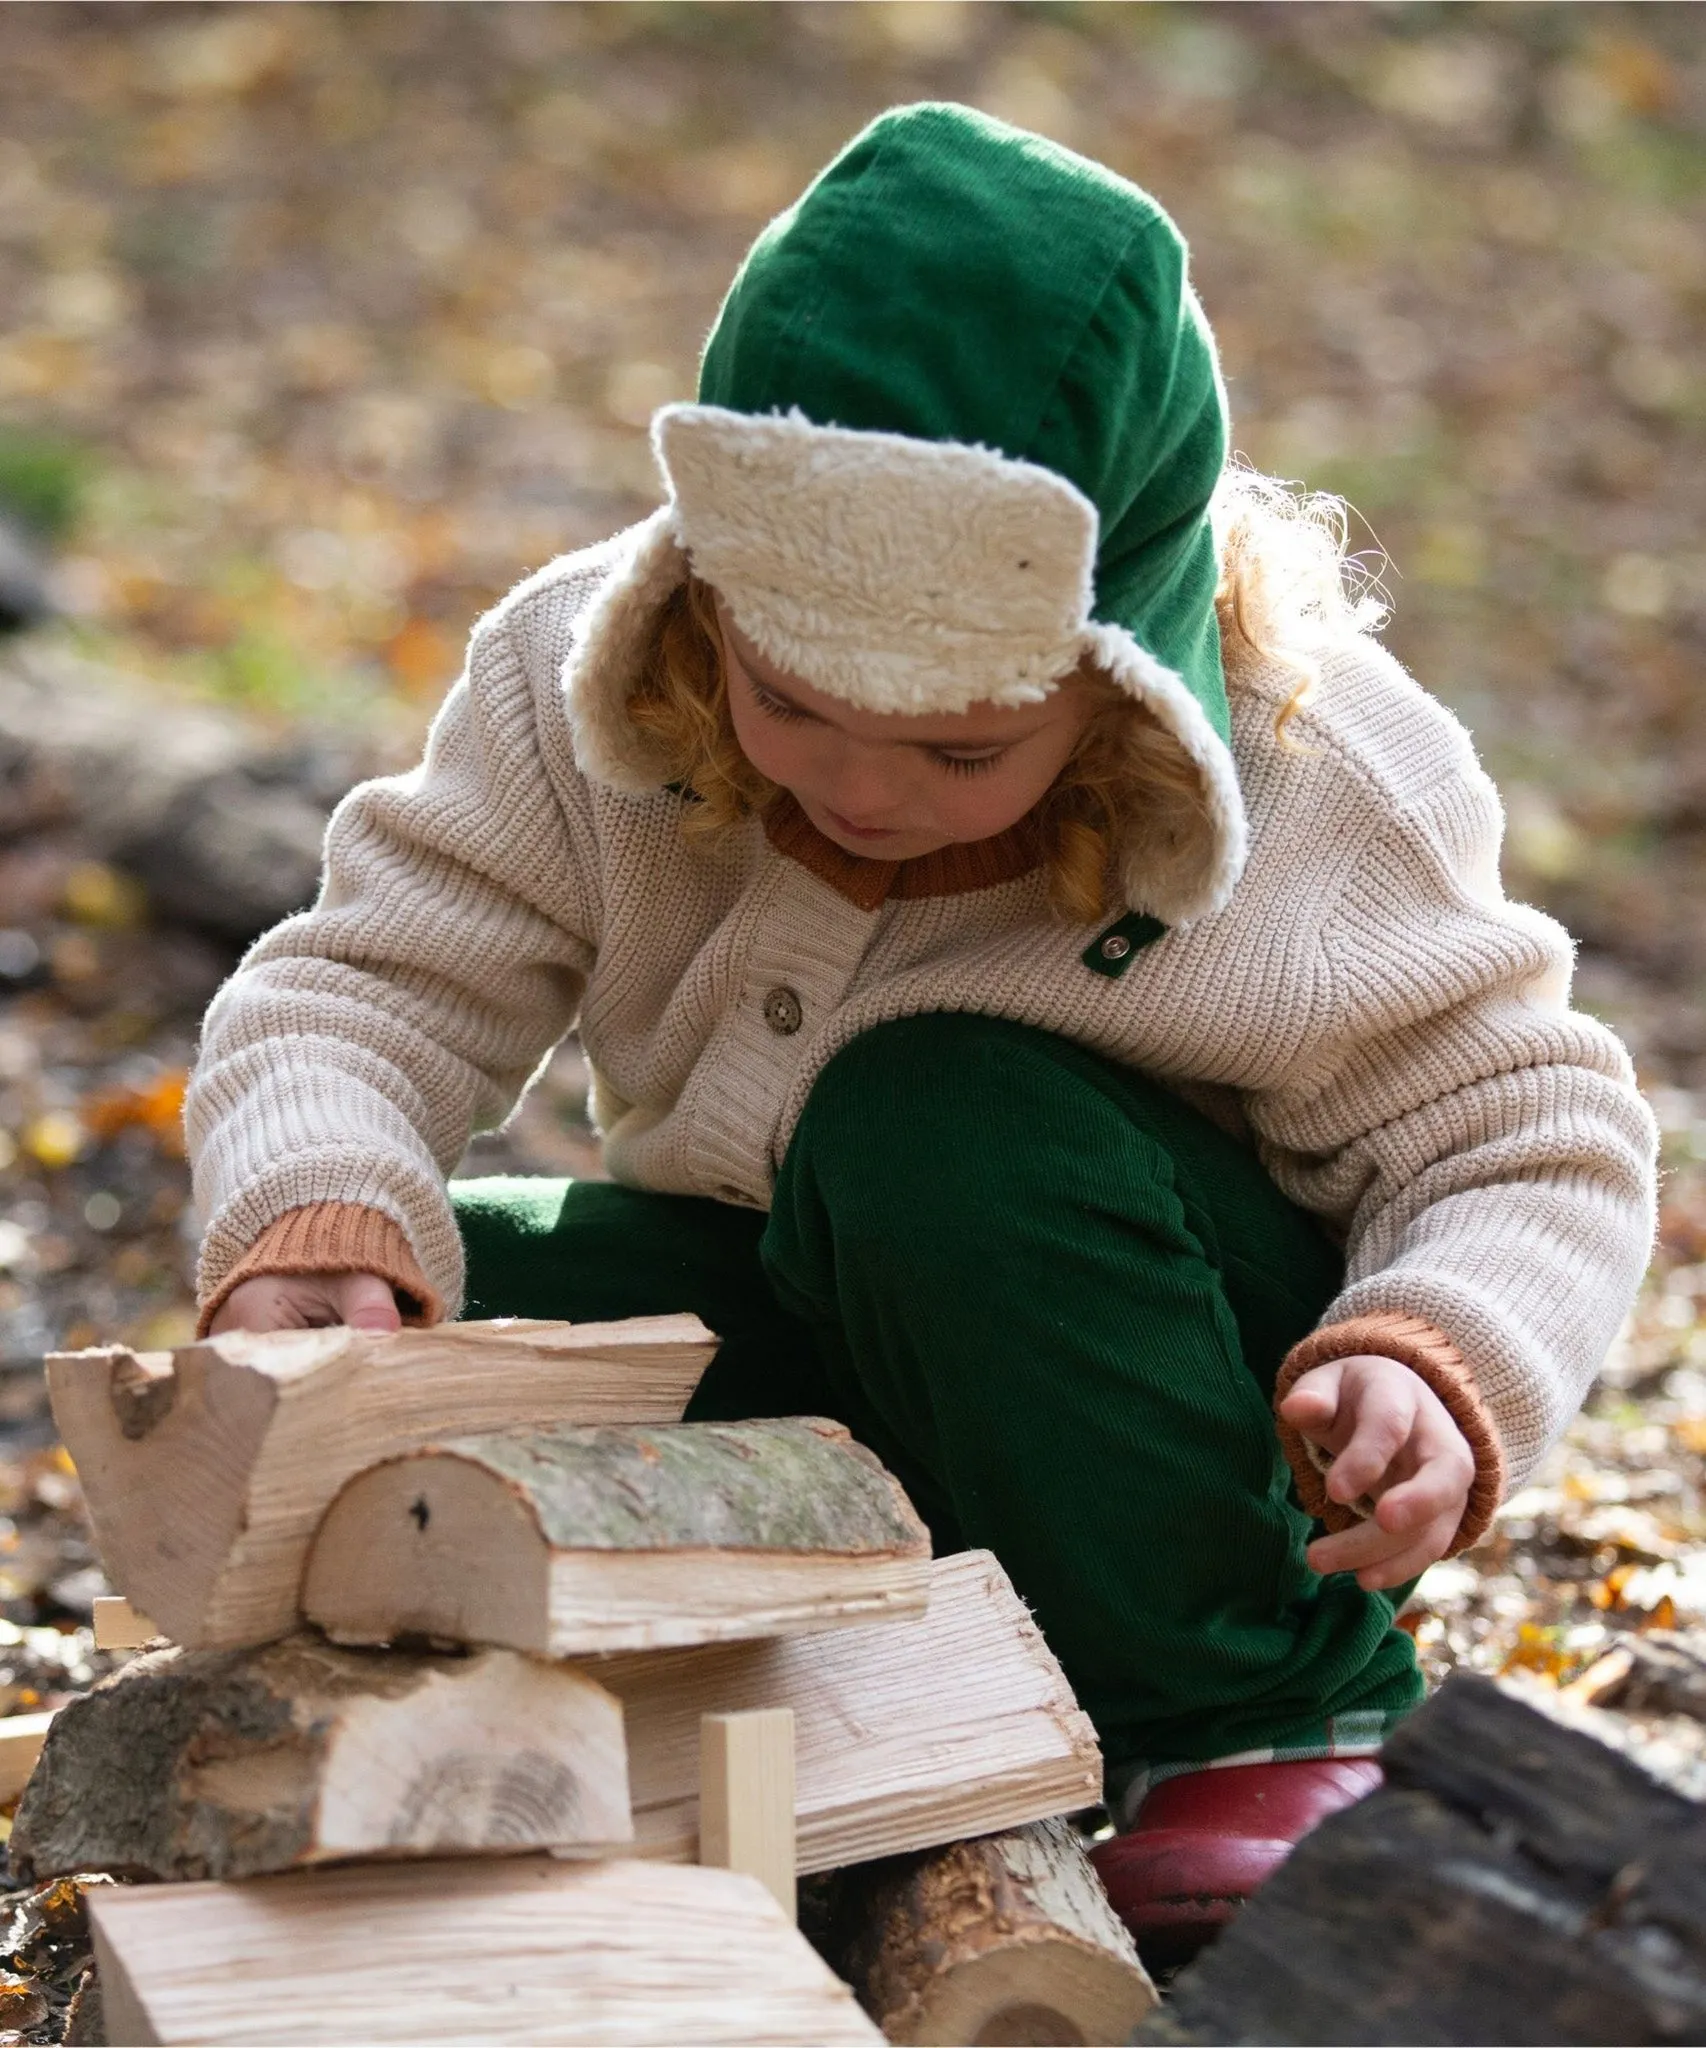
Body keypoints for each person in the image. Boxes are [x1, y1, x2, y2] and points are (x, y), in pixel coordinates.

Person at [186, 103, 1657, 1959]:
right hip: (832, 1346)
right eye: (790, 704)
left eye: (962, 745)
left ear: (1114, 671)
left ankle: (1248, 1723)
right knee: (448, 1293)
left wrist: (1445, 1356)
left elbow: (1526, 1131)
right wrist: (320, 1209)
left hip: (1153, 1394)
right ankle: (711, 1695)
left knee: (929, 1114)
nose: (860, 786)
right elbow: (372, 978)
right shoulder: (581, 685)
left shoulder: (1318, 776)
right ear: (706, 595)